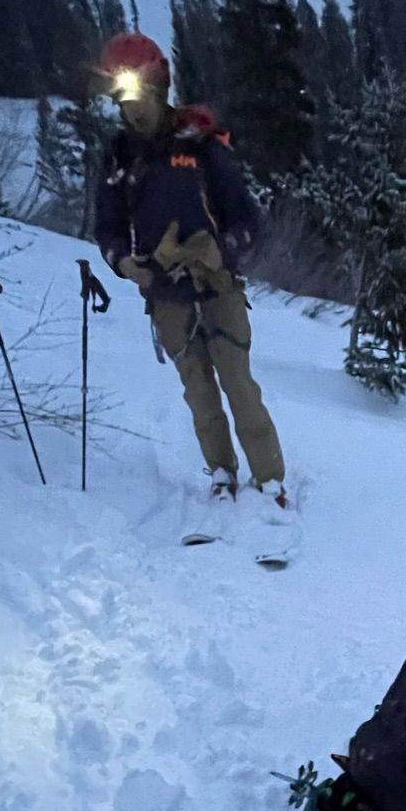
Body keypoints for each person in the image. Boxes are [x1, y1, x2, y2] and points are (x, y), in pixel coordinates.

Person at [92, 31, 287, 504]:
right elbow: (107, 227)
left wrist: (223, 252)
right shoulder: (119, 157)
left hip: (216, 285)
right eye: (121, 98)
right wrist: (123, 264)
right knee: (198, 392)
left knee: (238, 384)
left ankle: (270, 480)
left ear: (160, 88)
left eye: (138, 94)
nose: (132, 108)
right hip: (164, 295)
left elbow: (247, 222)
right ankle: (222, 473)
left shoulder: (202, 147)